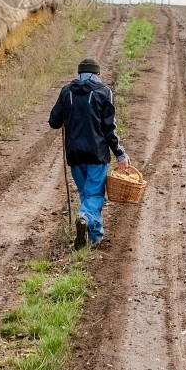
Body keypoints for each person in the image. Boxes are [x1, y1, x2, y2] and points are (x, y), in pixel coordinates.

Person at [49, 57, 130, 248]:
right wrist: (120, 154)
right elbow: (109, 128)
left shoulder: (66, 91)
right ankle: (84, 218)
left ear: (79, 73)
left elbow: (53, 121)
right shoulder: (104, 92)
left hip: (75, 154)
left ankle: (94, 237)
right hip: (97, 154)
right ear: (97, 73)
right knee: (95, 196)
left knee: (86, 194)